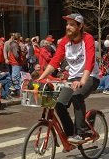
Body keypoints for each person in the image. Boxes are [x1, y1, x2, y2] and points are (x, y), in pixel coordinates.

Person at [37, 13, 100, 143]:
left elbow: (90, 61)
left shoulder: (87, 39)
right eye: (67, 24)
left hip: (89, 76)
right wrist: (40, 78)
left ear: (80, 26)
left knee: (77, 97)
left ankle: (80, 133)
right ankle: (70, 134)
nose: (68, 27)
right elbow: (55, 61)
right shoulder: (65, 41)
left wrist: (82, 81)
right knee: (59, 104)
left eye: (72, 24)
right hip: (72, 77)